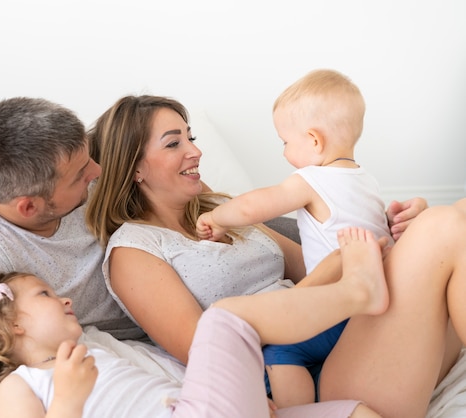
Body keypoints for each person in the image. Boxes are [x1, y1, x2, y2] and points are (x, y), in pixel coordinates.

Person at [85, 93, 466, 417]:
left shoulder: (223, 209)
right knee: (443, 227)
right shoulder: (134, 250)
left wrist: (386, 231)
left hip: (341, 332)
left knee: (452, 215)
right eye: (174, 143)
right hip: (300, 373)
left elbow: (318, 265)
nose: (195, 151)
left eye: (191, 137)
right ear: (134, 167)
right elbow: (213, 348)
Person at [0, 226, 389, 418]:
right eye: (45, 294)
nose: (66, 298)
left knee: (356, 414)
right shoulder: (25, 385)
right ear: (12, 324)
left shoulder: (101, 346)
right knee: (224, 319)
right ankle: (357, 291)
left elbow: (180, 376)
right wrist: (69, 402)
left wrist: (240, 395)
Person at [195, 68, 390, 407]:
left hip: (340, 307)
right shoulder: (367, 182)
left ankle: (300, 412)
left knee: (281, 350)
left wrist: (216, 216)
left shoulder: (311, 179)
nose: (284, 152)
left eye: (286, 142)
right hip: (374, 311)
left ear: (314, 141)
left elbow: (252, 207)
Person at [0, 97, 143, 340]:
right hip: (137, 333)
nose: (97, 171)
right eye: (80, 175)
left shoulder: (67, 167)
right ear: (29, 207)